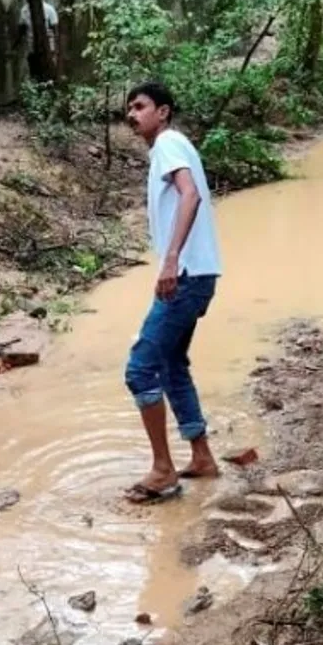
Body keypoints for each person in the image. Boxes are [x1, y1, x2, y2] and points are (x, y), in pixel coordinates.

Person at [121, 81, 222, 505]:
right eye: (128, 107)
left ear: (163, 112)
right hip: (198, 275)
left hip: (186, 277)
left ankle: (163, 470)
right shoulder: (170, 147)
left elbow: (191, 194)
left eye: (140, 106)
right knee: (171, 365)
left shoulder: (168, 143)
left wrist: (170, 260)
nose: (132, 113)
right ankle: (201, 457)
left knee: (140, 369)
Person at [17, 0, 59, 78]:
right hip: (32, 48)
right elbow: (21, 31)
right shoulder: (24, 11)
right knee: (35, 73)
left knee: (48, 73)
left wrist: (55, 50)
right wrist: (15, 46)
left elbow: (55, 30)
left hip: (48, 48)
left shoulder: (49, 9)